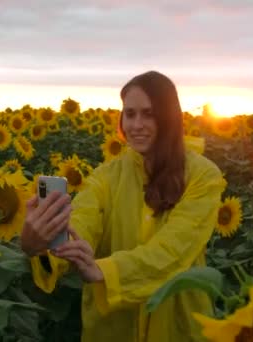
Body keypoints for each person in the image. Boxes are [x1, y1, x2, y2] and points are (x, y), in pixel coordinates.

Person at [20, 70, 226, 341]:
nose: (136, 124)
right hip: (113, 328)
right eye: (129, 114)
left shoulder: (203, 177)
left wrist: (104, 271)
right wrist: (44, 245)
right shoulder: (106, 176)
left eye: (148, 114)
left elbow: (173, 251)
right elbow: (83, 220)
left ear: (169, 118)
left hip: (177, 324)